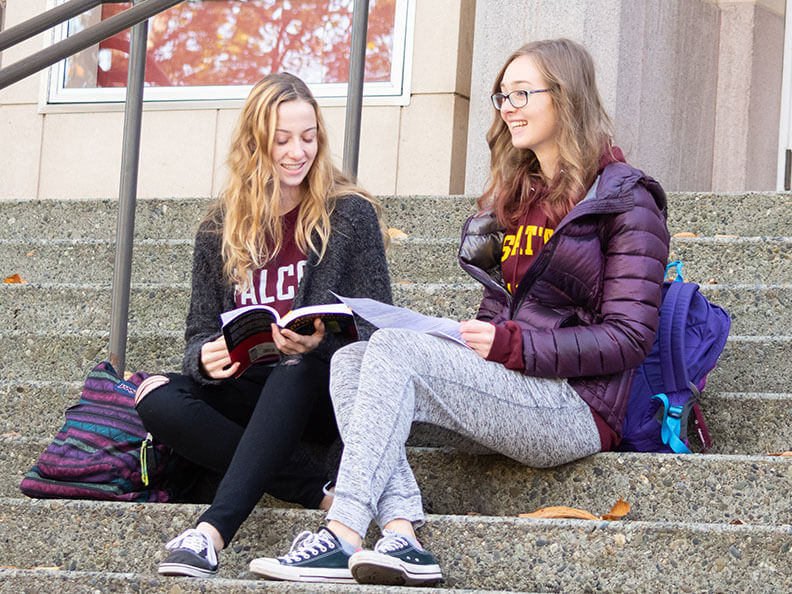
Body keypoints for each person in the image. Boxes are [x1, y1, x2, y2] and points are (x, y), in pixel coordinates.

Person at [247, 38, 670, 587]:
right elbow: (501, 310)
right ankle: (402, 534)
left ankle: (343, 531)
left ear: (565, 98)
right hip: (516, 384)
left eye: (523, 93)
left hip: (578, 408)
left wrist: (512, 345)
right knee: (352, 357)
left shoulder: (626, 200)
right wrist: (466, 336)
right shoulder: (516, 197)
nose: (508, 106)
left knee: (393, 351)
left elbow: (629, 336)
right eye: (502, 96)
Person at [133, 72, 392, 578]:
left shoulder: (350, 216)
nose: (298, 152)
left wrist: (321, 341)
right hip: (251, 384)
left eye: (309, 137)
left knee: (294, 370)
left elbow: (379, 327)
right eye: (282, 140)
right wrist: (204, 357)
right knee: (154, 394)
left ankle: (210, 534)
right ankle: (314, 491)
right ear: (256, 142)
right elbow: (199, 330)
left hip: (319, 390)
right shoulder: (219, 226)